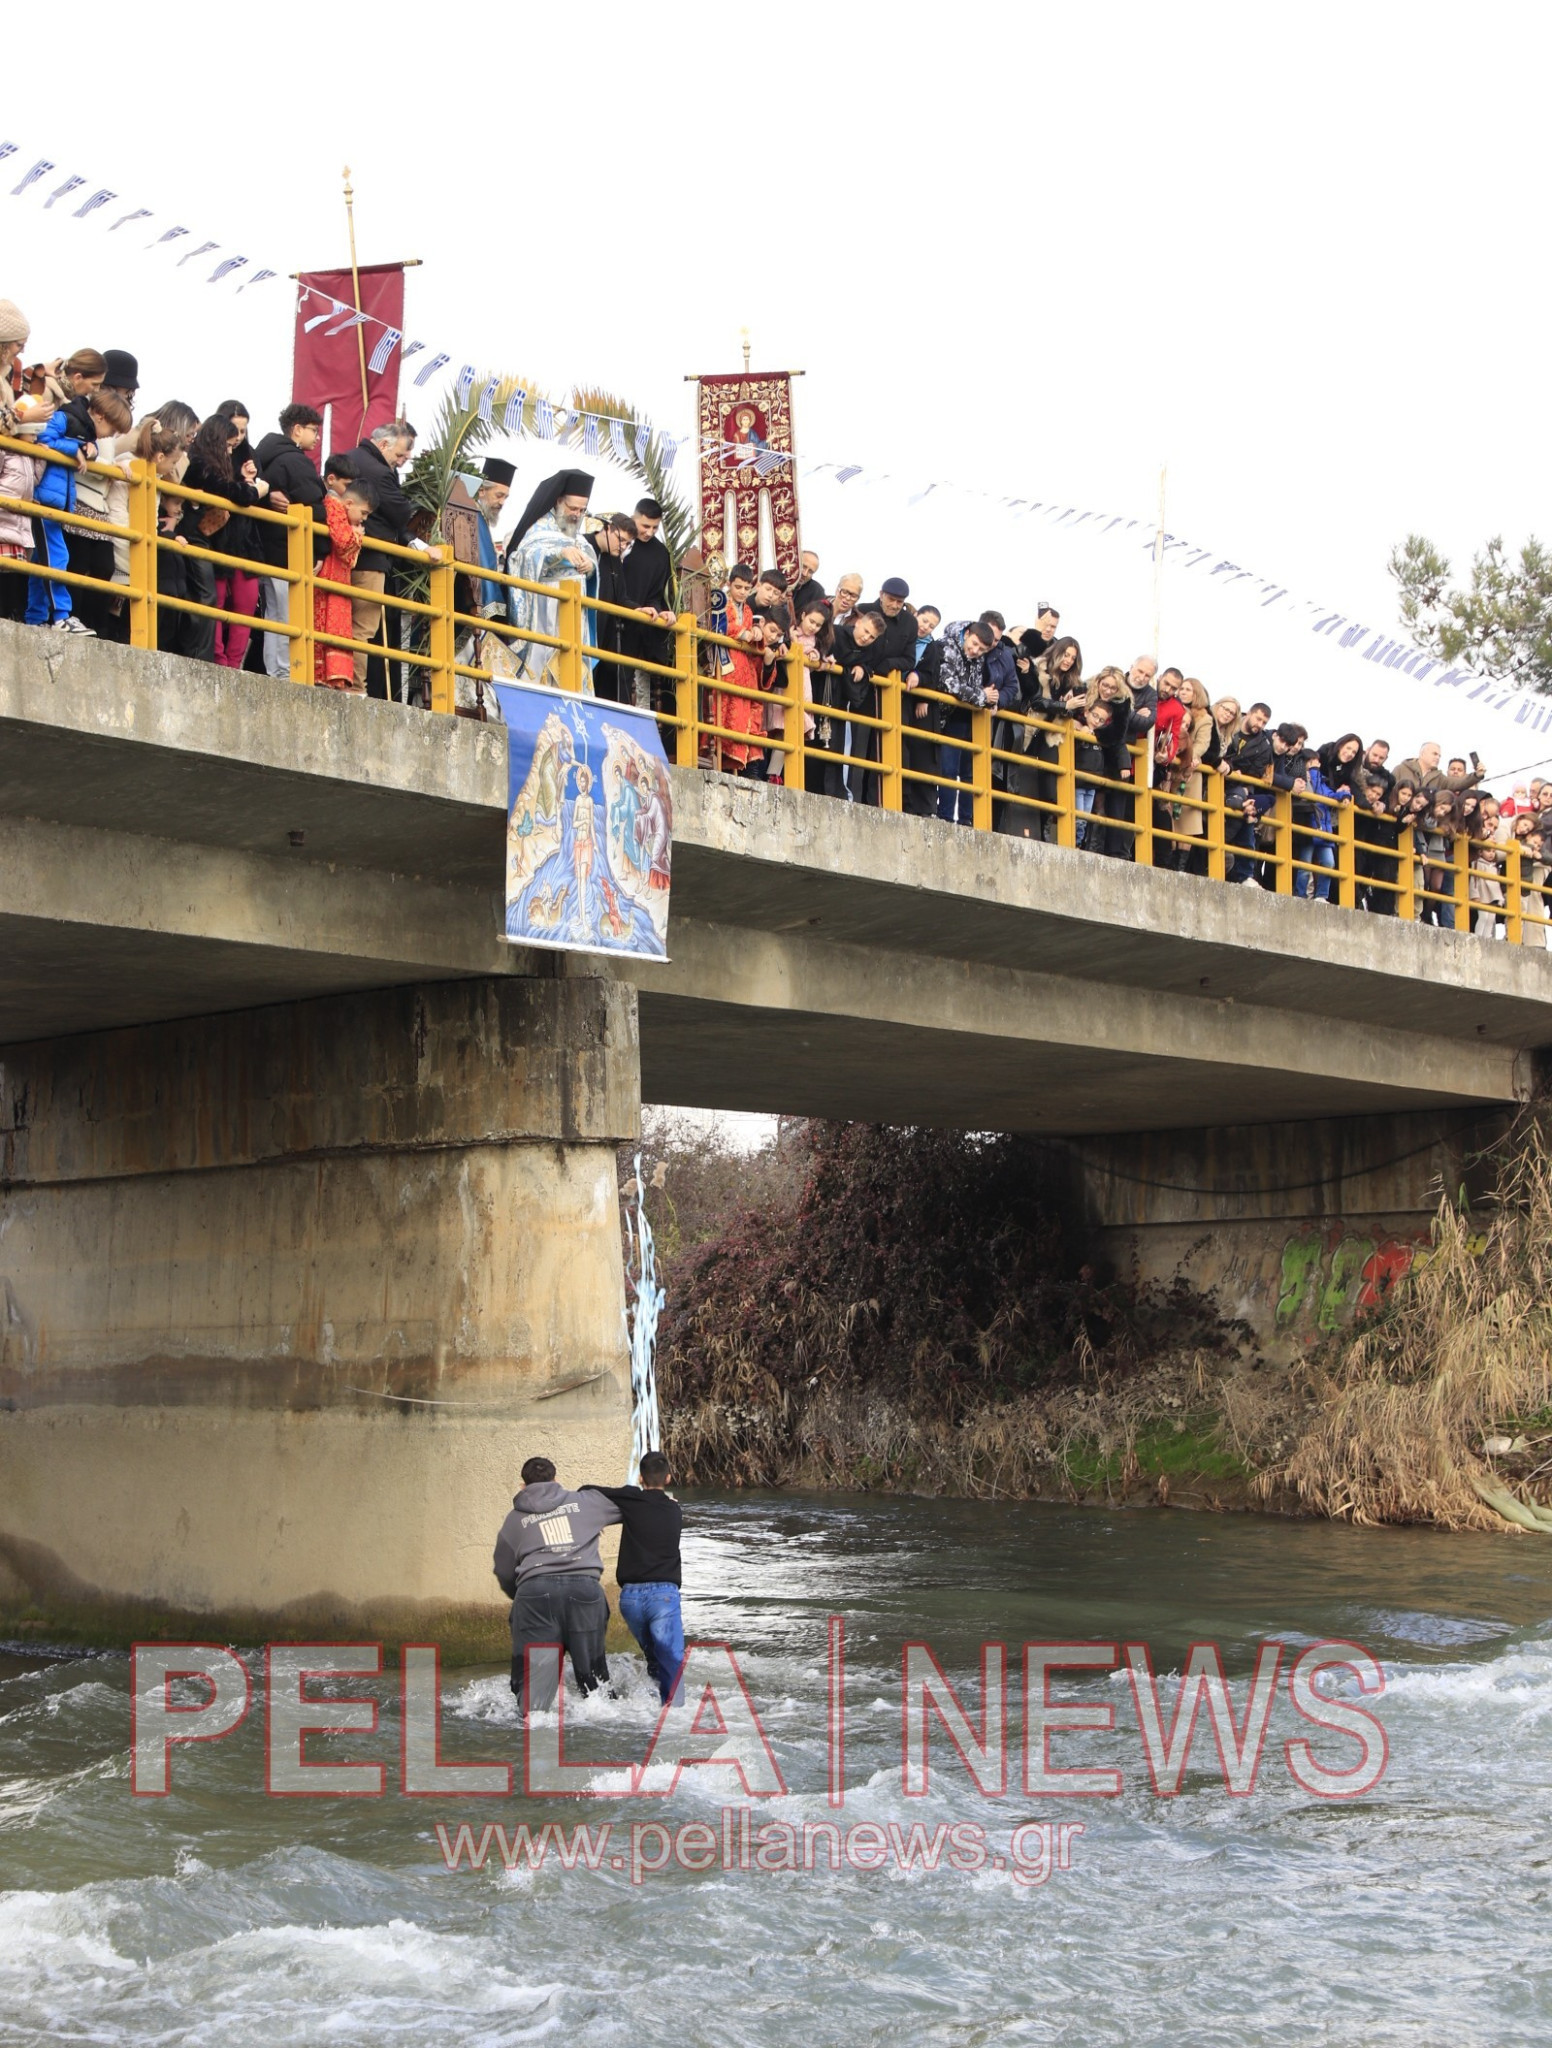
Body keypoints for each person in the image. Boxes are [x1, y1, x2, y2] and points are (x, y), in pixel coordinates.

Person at [492, 1455, 621, 1713]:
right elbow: (631, 1508)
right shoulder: (587, 1502)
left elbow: (504, 1571)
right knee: (595, 1682)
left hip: (534, 1592)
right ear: (556, 1480)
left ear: (522, 1486)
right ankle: (606, 1726)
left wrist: (525, 1596)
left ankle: (532, 1736)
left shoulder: (513, 1520)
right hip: (585, 1590)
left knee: (534, 1690)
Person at [581, 1451, 685, 1707]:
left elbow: (587, 1489)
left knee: (653, 1657)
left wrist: (601, 1517)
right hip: (663, 1594)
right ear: (668, 1478)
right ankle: (673, 1713)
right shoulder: (674, 1509)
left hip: (631, 1599)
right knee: (671, 1658)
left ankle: (653, 1707)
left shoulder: (631, 1498)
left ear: (641, 1478)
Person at [504, 467, 599, 691]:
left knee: (573, 672)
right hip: (544, 612)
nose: (577, 514)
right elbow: (521, 557)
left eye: (582, 509)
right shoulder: (539, 527)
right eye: (572, 507)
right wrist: (558, 554)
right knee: (542, 669)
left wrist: (590, 567)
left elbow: (590, 560)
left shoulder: (575, 532)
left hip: (575, 617)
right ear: (558, 501)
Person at [352, 417, 425, 696]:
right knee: (364, 628)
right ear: (383, 444)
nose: (403, 460)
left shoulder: (350, 457)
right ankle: (357, 687)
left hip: (348, 554)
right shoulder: (379, 471)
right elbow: (401, 513)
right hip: (371, 559)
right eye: (400, 454)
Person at [254, 403, 326, 679]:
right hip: (288, 550)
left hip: (266, 549)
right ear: (297, 430)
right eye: (313, 430)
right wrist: (321, 547)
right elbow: (314, 507)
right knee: (288, 614)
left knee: (274, 614)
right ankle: (285, 672)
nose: (317, 437)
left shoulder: (263, 456)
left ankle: (277, 670)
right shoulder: (295, 461)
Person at [65, 389, 132, 638]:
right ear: (102, 417)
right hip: (80, 502)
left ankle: (94, 624)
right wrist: (112, 467)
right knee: (78, 564)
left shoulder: (101, 436)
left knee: (104, 566)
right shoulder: (83, 428)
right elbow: (86, 462)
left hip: (98, 507)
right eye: (113, 429)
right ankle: (73, 618)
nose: (113, 435)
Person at [925, 617, 998, 824]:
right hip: (943, 717)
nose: (976, 651)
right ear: (966, 635)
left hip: (967, 718)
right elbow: (948, 684)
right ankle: (946, 816)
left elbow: (975, 686)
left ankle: (967, 819)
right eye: (974, 644)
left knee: (968, 772)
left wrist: (988, 700)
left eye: (982, 649)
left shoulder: (978, 658)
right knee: (947, 770)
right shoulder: (946, 647)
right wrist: (982, 697)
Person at [314, 469, 374, 689]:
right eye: (364, 513)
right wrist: (357, 534)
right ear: (349, 503)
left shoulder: (341, 510)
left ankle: (334, 677)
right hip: (328, 577)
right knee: (325, 625)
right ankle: (323, 674)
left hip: (339, 578)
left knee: (336, 627)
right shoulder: (333, 505)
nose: (363, 520)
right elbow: (342, 540)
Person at [620, 496, 676, 711]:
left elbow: (656, 594)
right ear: (634, 517)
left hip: (643, 626)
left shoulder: (661, 554)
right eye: (645, 526)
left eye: (655, 527)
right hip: (616, 622)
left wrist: (663, 612)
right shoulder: (620, 542)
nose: (649, 532)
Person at [710, 562, 765, 775]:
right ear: (729, 584)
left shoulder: (749, 610)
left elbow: (751, 632)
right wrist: (742, 632)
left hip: (744, 669)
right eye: (738, 587)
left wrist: (756, 633)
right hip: (726, 665)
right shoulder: (720, 601)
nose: (742, 592)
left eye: (746, 588)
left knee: (744, 715)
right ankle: (722, 759)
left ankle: (741, 763)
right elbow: (717, 625)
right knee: (724, 712)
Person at [590, 512, 639, 701]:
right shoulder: (583, 545)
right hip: (581, 632)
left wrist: (639, 609)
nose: (623, 546)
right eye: (620, 540)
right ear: (606, 529)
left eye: (628, 543)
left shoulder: (614, 561)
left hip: (605, 637)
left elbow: (621, 598)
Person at [1395, 739, 1484, 794]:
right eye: (1435, 754)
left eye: (1439, 756)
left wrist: (1476, 775)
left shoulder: (1439, 777)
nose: (1437, 757)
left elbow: (1458, 783)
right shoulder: (1402, 769)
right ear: (1422, 753)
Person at [790, 548, 823, 617]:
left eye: (810, 572)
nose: (805, 574)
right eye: (803, 567)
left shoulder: (816, 592)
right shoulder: (775, 578)